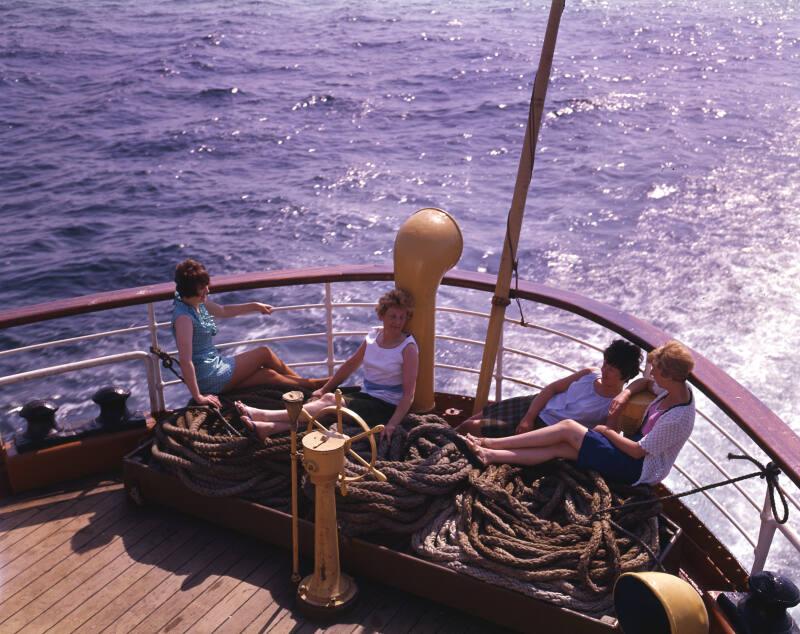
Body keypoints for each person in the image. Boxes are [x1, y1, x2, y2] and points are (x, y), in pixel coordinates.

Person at [464, 340, 696, 486]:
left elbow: (638, 452)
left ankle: (489, 443)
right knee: (558, 449)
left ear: (669, 376)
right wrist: (624, 395)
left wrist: (606, 430)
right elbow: (644, 384)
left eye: (656, 371)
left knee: (567, 428)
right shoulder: (673, 389)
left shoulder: (678, 418)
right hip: (630, 452)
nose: (652, 374)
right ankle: (489, 455)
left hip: (638, 469)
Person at [237, 288, 418, 442]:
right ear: (382, 315)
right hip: (367, 395)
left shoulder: (407, 348)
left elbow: (409, 394)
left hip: (385, 406)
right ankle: (267, 429)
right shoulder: (373, 336)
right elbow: (349, 365)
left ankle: (263, 415)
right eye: (393, 316)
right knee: (324, 404)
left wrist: (392, 424)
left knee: (330, 402)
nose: (397, 322)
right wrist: (324, 388)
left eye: (402, 317)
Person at [172, 259, 326, 408]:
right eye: (202, 288)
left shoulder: (195, 302)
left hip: (215, 365)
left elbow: (224, 311)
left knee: (268, 376)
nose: (208, 290)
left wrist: (254, 306)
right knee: (264, 353)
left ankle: (309, 390)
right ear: (191, 290)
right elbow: (185, 361)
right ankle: (313, 385)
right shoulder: (184, 318)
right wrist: (198, 397)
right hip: (209, 377)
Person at [456, 339, 642, 438]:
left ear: (625, 375)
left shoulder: (613, 405)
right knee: (470, 421)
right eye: (605, 363)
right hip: (533, 404)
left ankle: (445, 444)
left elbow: (608, 434)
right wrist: (528, 417)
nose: (604, 370)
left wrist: (530, 424)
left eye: (611, 369)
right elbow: (552, 388)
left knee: (470, 428)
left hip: (545, 427)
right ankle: (440, 441)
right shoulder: (589, 374)